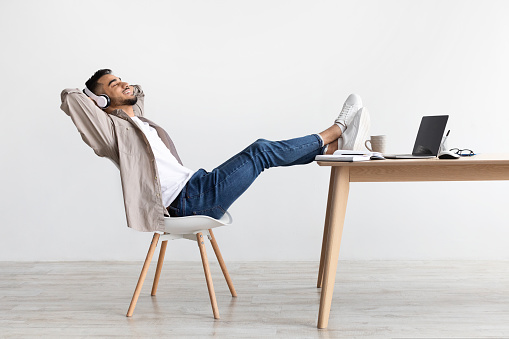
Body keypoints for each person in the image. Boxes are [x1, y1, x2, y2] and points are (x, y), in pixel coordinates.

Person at [60, 69, 370, 232]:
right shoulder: (110, 134)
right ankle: (336, 131)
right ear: (100, 102)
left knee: (265, 153)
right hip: (186, 202)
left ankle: (331, 147)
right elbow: (70, 98)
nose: (125, 83)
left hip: (197, 186)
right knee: (260, 151)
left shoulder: (137, 118)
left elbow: (138, 92)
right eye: (114, 84)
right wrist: (93, 97)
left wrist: (117, 89)